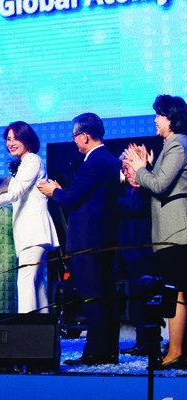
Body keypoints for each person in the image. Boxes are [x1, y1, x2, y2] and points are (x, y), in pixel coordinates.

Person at [38, 113, 120, 366]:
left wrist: (53, 191)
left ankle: (95, 353)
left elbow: (70, 199)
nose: (74, 140)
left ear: (85, 136)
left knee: (93, 298)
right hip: (104, 239)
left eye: (75, 135)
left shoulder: (91, 163)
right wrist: (62, 191)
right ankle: (108, 352)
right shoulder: (110, 160)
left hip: (87, 242)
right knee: (106, 296)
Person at [123, 94, 187, 369]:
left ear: (171, 118)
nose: (155, 120)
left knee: (177, 292)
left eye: (159, 115)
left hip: (177, 231)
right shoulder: (171, 145)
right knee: (177, 291)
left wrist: (140, 170)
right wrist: (145, 171)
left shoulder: (177, 145)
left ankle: (176, 352)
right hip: (171, 231)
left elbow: (160, 185)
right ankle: (177, 349)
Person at [0, 121, 59, 314]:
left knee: (26, 281)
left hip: (34, 231)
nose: (11, 143)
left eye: (16, 138)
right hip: (32, 232)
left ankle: (26, 328)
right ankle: (44, 328)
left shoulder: (32, 160)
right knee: (36, 283)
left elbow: (15, 193)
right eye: (8, 139)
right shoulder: (26, 163)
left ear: (27, 139)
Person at [117, 157, 154, 357]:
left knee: (145, 301)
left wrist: (112, 200)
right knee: (137, 302)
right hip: (131, 254)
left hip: (143, 252)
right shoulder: (129, 190)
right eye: (123, 169)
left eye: (128, 167)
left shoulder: (145, 187)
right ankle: (142, 343)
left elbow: (137, 208)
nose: (126, 173)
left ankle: (148, 343)